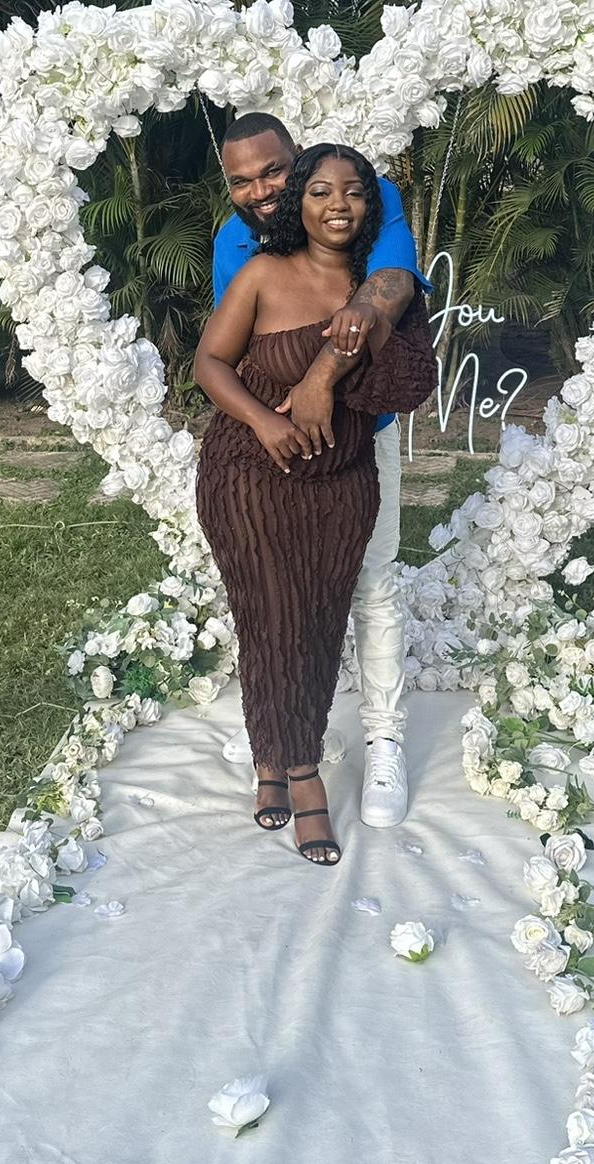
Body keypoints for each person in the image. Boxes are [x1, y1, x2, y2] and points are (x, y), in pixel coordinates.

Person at [195, 144, 436, 864]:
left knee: (320, 624)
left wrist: (367, 339)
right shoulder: (262, 273)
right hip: (250, 476)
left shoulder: (382, 291)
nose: (338, 205)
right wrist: (265, 422)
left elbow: (409, 384)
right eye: (321, 192)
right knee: (267, 618)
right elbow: (209, 362)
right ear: (298, 202)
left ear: (371, 205)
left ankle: (273, 758)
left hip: (342, 486)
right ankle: (299, 773)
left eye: (354, 192)